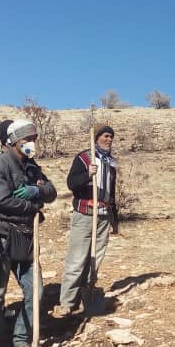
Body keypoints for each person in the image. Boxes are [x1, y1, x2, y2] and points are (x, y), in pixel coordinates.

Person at [0, 119, 56, 347]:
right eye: (27, 140)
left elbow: (52, 192)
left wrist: (38, 190)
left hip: (27, 236)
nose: (31, 144)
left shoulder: (33, 167)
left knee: (35, 291)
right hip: (2, 236)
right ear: (14, 141)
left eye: (34, 139)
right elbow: (0, 201)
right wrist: (33, 205)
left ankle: (21, 339)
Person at [55, 125, 117, 317]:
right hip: (84, 214)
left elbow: (112, 191)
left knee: (95, 259)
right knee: (77, 259)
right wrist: (87, 174)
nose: (109, 140)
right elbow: (71, 184)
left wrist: (115, 218)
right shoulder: (84, 158)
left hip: (104, 215)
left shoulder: (110, 162)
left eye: (111, 137)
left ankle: (86, 294)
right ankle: (67, 302)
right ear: (97, 137)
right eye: (106, 136)